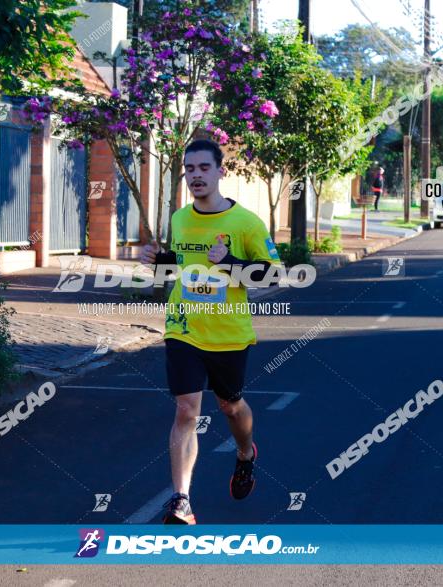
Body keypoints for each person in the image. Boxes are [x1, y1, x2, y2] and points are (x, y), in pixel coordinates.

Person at [140, 139, 282, 525]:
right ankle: (181, 499)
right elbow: (176, 271)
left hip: (228, 333)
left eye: (204, 168)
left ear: (221, 171)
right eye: (190, 169)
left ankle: (245, 453)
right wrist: (159, 262)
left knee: (230, 406)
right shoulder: (181, 218)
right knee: (186, 409)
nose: (196, 175)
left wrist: (232, 262)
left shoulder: (246, 223)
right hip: (183, 326)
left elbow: (274, 274)